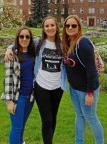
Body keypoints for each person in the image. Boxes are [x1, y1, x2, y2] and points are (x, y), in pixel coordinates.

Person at [5, 16, 67, 144]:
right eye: (47, 26)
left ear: (57, 27)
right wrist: (9, 48)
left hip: (53, 88)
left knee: (52, 118)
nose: (50, 28)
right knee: (45, 120)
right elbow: (20, 41)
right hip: (38, 88)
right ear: (43, 29)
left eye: (52, 25)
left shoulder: (62, 45)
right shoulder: (39, 42)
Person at [62, 15, 104, 144]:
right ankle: (78, 141)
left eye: (73, 25)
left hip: (86, 89)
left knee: (91, 117)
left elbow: (91, 70)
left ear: (79, 27)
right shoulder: (67, 42)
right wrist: (10, 48)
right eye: (67, 25)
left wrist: (90, 93)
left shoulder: (83, 43)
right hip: (74, 88)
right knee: (79, 116)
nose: (70, 28)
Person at [1, 27, 36, 144]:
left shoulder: (33, 53)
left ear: (31, 39)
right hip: (17, 97)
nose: (24, 39)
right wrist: (9, 101)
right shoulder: (12, 55)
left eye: (27, 37)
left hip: (30, 97)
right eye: (21, 36)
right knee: (16, 128)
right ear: (17, 38)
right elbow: (8, 78)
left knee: (21, 126)